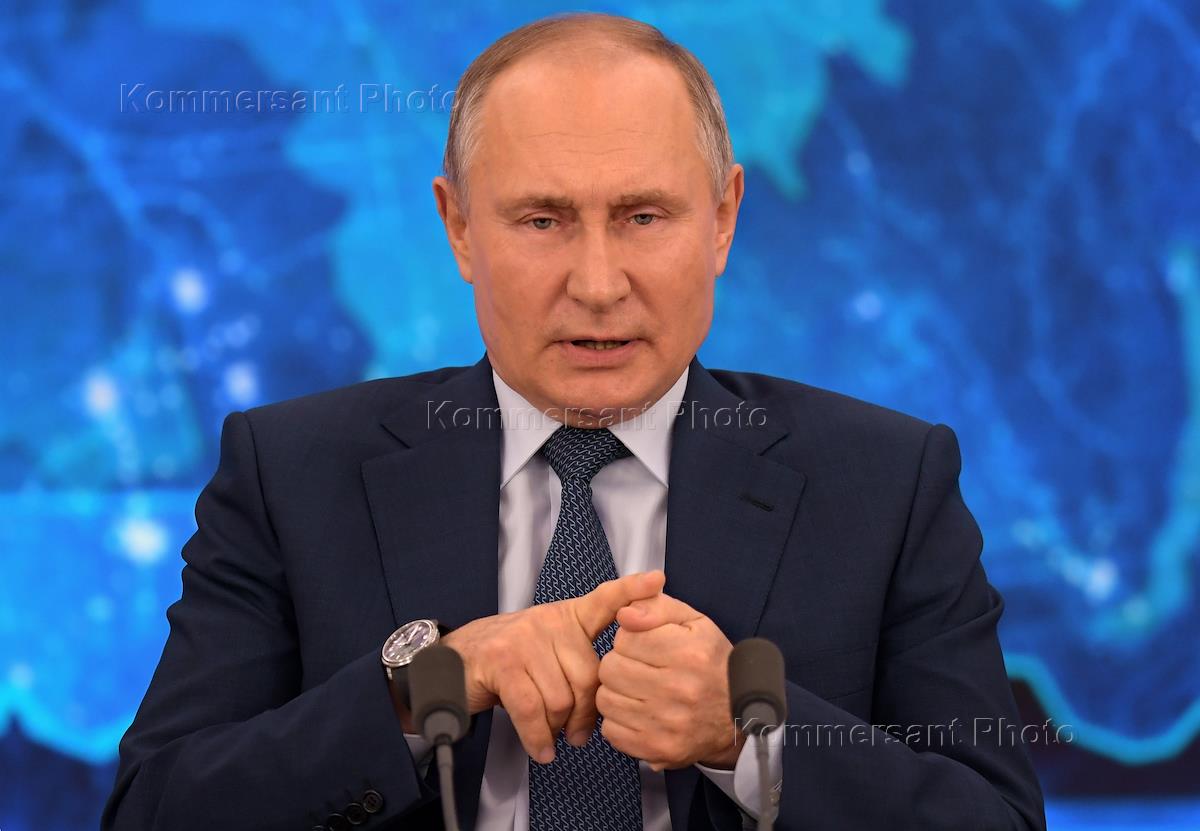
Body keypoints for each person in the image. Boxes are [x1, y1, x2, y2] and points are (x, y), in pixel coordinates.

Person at [102, 12, 1046, 831]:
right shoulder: (290, 472)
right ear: (458, 227)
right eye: (543, 221)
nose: (598, 285)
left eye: (643, 216)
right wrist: (421, 691)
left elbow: (996, 819)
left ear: (723, 219)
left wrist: (750, 737)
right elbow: (154, 809)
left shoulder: (886, 482)